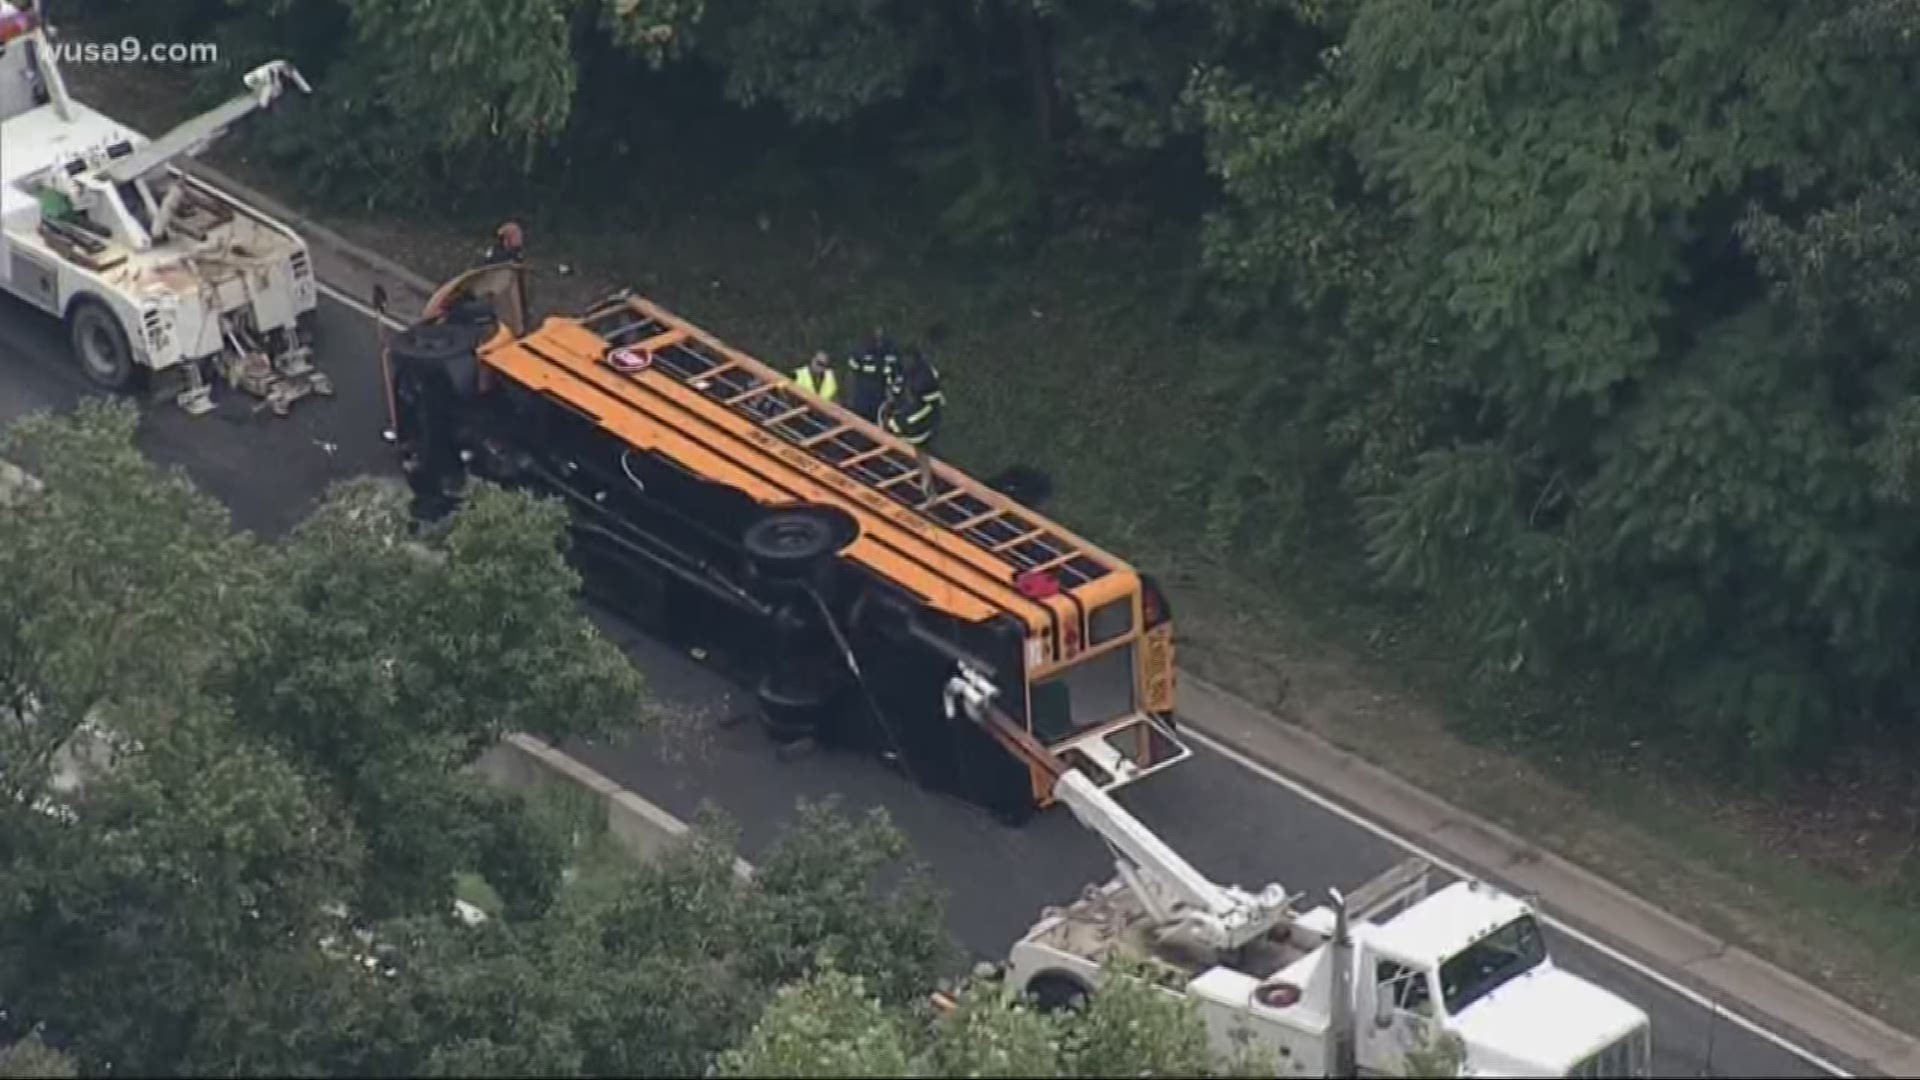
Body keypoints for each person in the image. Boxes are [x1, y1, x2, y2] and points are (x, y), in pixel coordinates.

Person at [880, 349, 946, 503]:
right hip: (918, 431)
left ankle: (926, 489)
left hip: (914, 436)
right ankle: (926, 487)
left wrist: (891, 422)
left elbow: (898, 424)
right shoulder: (920, 374)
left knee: (917, 458)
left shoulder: (915, 408)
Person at [846, 327, 898, 423]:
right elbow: (851, 374)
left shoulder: (890, 351)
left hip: (880, 399)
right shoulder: (860, 350)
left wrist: (891, 397)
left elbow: (893, 375)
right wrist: (850, 399)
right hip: (862, 397)